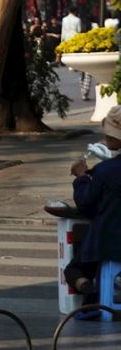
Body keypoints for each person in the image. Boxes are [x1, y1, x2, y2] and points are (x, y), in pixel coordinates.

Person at [63, 106, 121, 302]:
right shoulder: (104, 169)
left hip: (108, 244)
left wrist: (81, 177)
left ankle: (88, 288)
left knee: (73, 270)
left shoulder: (104, 171)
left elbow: (86, 205)